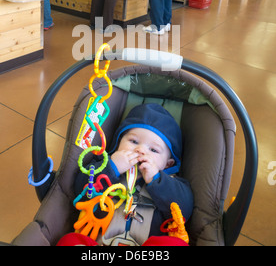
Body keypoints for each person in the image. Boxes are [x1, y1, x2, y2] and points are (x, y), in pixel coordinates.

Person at [73, 103, 194, 246]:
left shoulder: (173, 184)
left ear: (168, 164)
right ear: (118, 143)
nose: (140, 149)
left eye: (154, 150)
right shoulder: (102, 166)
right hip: (98, 242)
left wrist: (157, 179)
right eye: (133, 141)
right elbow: (80, 190)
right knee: (70, 240)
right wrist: (112, 167)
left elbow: (184, 211)